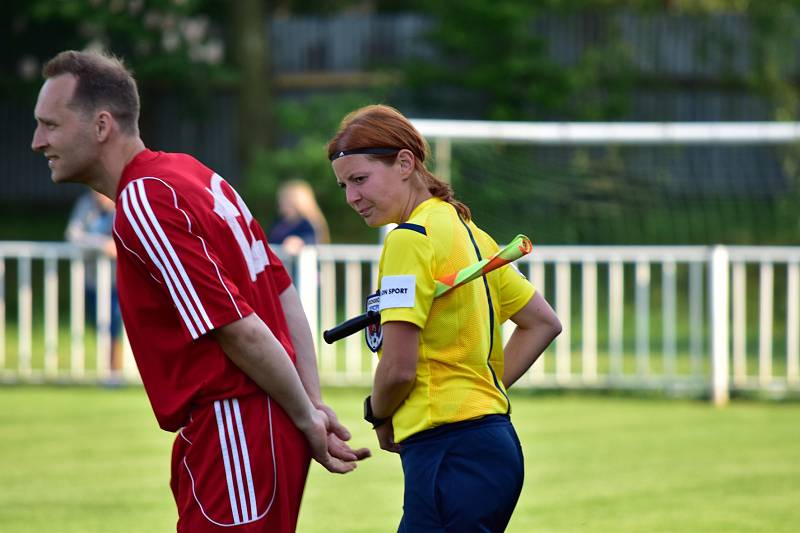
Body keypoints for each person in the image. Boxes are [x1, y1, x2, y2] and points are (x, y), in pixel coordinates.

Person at [32, 49, 369, 532]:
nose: (37, 141)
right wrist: (308, 405)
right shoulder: (191, 173)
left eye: (50, 124)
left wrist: (308, 415)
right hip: (259, 423)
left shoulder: (144, 199)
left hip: (235, 426)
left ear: (102, 125)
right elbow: (281, 289)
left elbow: (237, 328)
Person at [327, 104, 562, 532]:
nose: (351, 198)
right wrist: (479, 392)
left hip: (448, 452)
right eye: (344, 185)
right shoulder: (472, 232)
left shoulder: (409, 240)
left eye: (360, 179)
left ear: (404, 163)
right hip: (492, 446)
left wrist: (378, 415)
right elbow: (542, 322)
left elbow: (398, 368)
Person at [65, 189, 123, 378]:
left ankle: (115, 372)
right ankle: (108, 370)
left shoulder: (121, 206)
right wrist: (101, 245)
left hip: (117, 282)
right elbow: (73, 236)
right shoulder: (85, 205)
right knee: (98, 324)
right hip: (92, 280)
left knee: (114, 327)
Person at [268, 179, 330, 256]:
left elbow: (312, 239)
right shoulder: (278, 222)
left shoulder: (307, 223)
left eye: (286, 200)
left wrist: (299, 242)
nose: (281, 203)